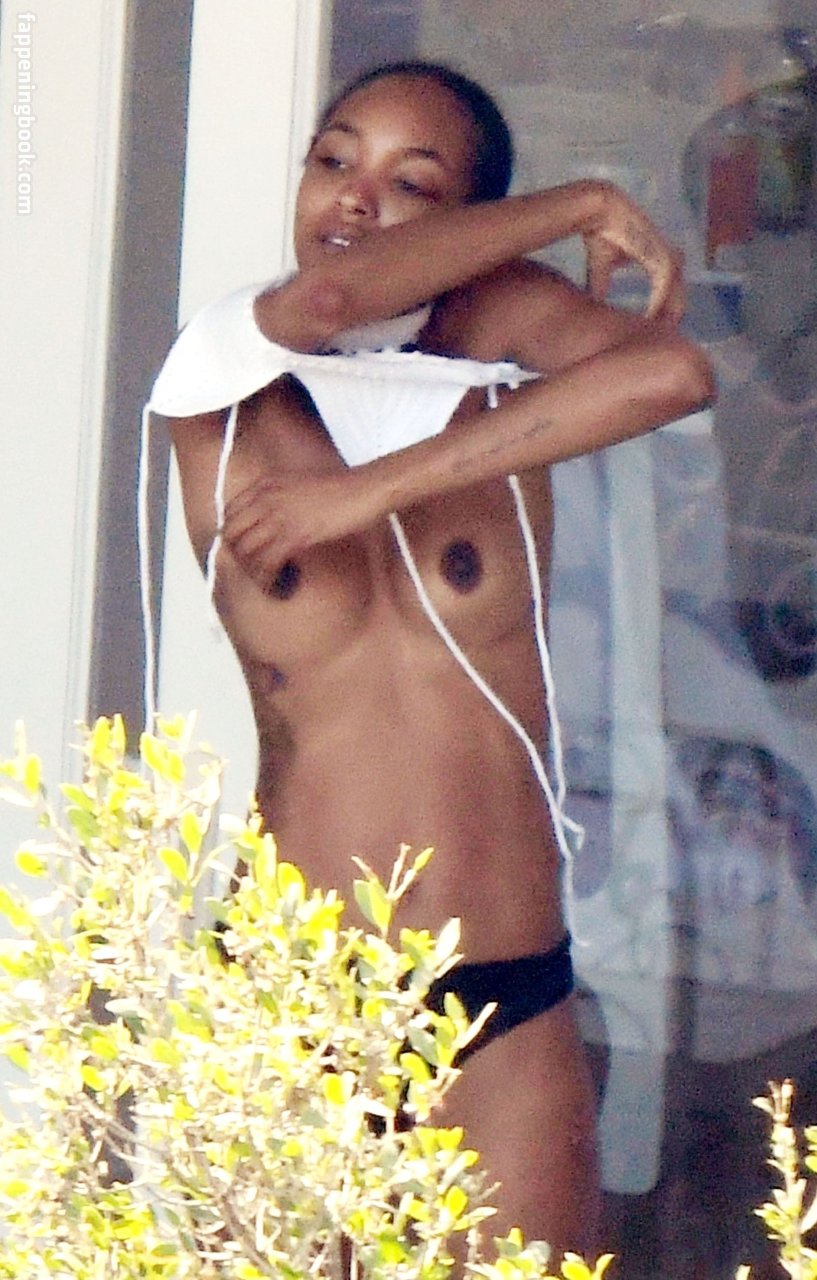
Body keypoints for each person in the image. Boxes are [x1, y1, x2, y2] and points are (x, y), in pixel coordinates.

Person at [150, 61, 714, 1259]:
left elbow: (671, 373)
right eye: (332, 160)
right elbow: (330, 297)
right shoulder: (222, 369)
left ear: (469, 230)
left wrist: (367, 493)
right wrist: (579, 203)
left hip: (501, 997)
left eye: (413, 184)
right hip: (290, 994)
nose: (354, 198)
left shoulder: (496, 349)